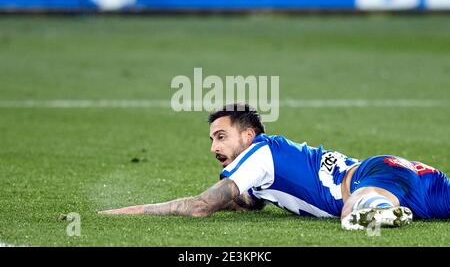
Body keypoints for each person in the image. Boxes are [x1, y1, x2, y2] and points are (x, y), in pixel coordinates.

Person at [99, 104, 450, 230]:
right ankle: (382, 208)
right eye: (211, 140)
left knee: (351, 212)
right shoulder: (268, 163)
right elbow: (247, 202)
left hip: (372, 180)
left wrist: (118, 212)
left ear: (248, 135)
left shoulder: (259, 154)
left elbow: (200, 207)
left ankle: (379, 210)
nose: (214, 148)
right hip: (410, 173)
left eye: (221, 137)